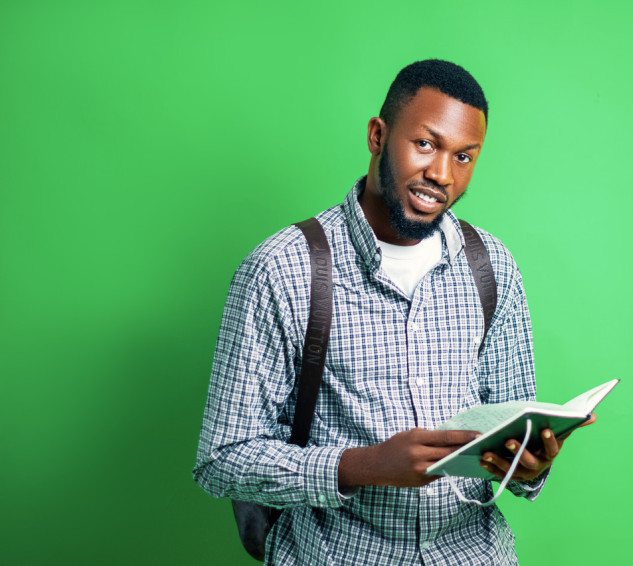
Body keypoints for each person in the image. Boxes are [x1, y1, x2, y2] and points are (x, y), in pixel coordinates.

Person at [193, 59, 591, 565]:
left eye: (464, 156)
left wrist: (529, 466)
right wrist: (366, 465)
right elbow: (223, 459)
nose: (442, 174)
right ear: (378, 135)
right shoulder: (282, 270)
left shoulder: (492, 266)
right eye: (425, 144)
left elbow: (513, 425)